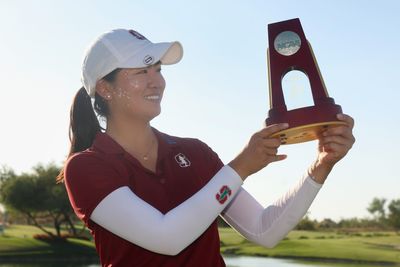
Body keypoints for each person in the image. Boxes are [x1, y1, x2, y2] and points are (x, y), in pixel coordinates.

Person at [57, 28, 355, 267]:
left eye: (158, 70)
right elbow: (168, 238)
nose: (156, 82)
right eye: (141, 72)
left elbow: (265, 231)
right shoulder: (86, 167)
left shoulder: (196, 153)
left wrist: (321, 166)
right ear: (105, 88)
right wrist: (241, 167)